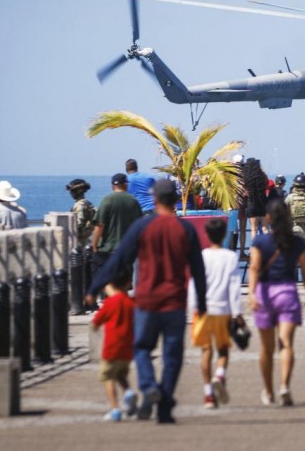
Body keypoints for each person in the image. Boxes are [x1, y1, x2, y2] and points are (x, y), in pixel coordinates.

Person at [87, 178, 207, 424]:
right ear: (174, 201)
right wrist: (202, 305)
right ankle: (164, 409)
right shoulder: (185, 230)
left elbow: (119, 260)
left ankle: (149, 384)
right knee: (172, 356)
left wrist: (94, 287)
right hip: (174, 302)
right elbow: (198, 270)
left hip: (147, 301)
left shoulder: (142, 227)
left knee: (141, 349)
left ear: (154, 200)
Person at [248, 199, 305, 406]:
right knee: (286, 344)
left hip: (264, 294)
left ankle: (268, 392)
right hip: (287, 293)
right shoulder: (297, 242)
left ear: (268, 218)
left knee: (266, 349)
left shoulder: (259, 242)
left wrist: (251, 293)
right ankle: (284, 386)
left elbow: (253, 268)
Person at [187, 217, 244, 409]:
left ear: (207, 235)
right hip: (223, 309)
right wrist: (237, 313)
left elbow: (194, 283)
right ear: (224, 234)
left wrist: (193, 307)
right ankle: (219, 374)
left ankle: (208, 395)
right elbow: (234, 287)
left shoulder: (201, 256)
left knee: (206, 351)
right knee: (223, 350)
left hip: (203, 309)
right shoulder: (230, 257)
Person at [91, 268, 137, 422]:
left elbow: (96, 321)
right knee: (121, 374)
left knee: (107, 376)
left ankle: (115, 409)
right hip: (127, 348)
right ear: (129, 283)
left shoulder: (110, 303)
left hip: (111, 347)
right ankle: (128, 391)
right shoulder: (131, 302)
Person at [92, 174, 142, 283]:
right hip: (127, 251)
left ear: (112, 186)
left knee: (108, 283)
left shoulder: (107, 200)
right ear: (125, 185)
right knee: (124, 283)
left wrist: (94, 246)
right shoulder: (133, 201)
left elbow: (99, 225)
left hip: (108, 250)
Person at [242, 158, 269, 245]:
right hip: (263, 203)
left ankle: (254, 248)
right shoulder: (262, 176)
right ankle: (268, 246)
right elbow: (267, 183)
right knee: (265, 228)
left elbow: (244, 191)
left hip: (252, 204)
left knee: (254, 229)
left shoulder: (246, 178)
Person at [66, 179, 96, 249]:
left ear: (78, 191)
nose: (71, 193)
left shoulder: (79, 205)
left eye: (72, 191)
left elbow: (78, 224)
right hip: (87, 240)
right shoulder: (87, 203)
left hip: (81, 242)